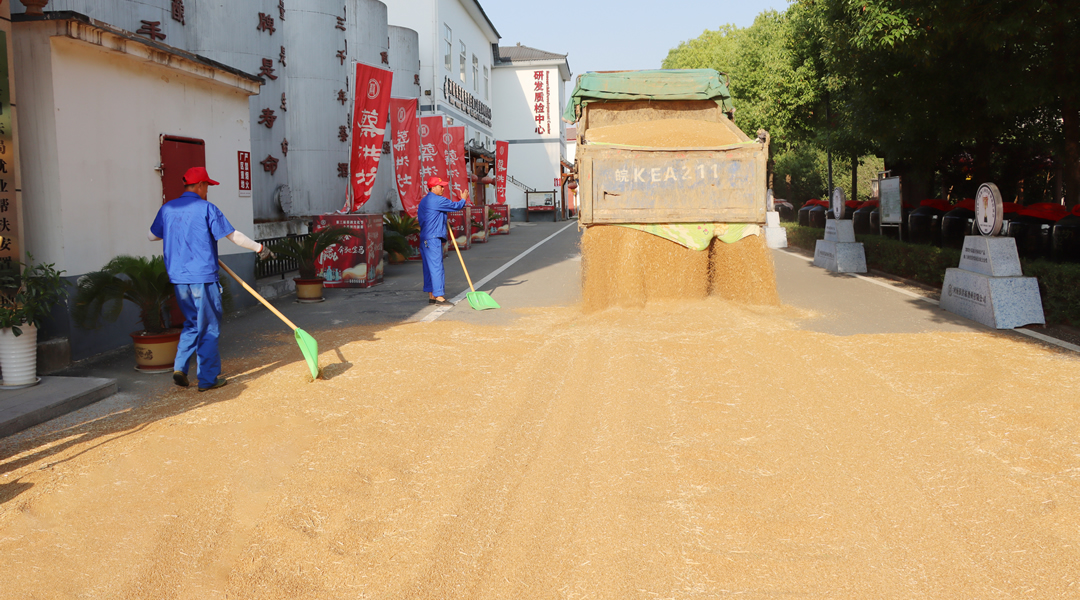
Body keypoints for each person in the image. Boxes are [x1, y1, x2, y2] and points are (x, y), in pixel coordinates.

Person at [148, 166, 272, 392]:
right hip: (203, 278)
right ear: (200, 185)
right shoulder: (207, 209)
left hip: (179, 279)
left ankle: (180, 368)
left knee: (193, 323)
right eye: (207, 186)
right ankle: (207, 379)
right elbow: (233, 236)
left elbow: (152, 236)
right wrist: (259, 248)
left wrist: (178, 232)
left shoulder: (167, 209)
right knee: (209, 327)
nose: (208, 191)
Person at [417, 176, 468, 305]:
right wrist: (464, 198)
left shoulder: (424, 201)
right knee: (436, 267)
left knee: (428, 267)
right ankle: (439, 296)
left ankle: (432, 295)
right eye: (441, 186)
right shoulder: (437, 200)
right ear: (433, 187)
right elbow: (457, 206)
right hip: (433, 238)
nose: (443, 188)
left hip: (425, 237)